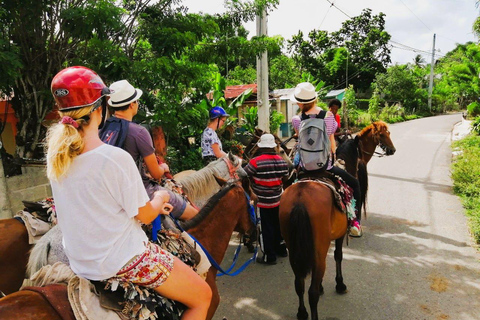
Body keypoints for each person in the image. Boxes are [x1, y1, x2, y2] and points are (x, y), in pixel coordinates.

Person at [47, 66, 211, 319]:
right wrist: (161, 198)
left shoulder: (56, 158)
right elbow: (145, 217)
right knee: (203, 297)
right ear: (100, 108)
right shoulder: (114, 158)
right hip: (120, 260)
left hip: (79, 260)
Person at [106, 80, 198, 221]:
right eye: (136, 101)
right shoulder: (139, 132)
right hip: (141, 192)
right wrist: (163, 167)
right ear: (132, 104)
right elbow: (155, 173)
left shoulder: (104, 128)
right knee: (196, 216)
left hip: (110, 191)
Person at [291, 82, 362, 237]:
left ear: (299, 102)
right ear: (315, 99)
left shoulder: (296, 119)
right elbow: (331, 135)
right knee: (355, 184)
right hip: (325, 167)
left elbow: (299, 138)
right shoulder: (329, 117)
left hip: (304, 167)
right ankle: (355, 222)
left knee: (288, 184)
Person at [244, 134, 289, 265]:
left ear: (260, 146)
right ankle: (282, 250)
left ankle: (269, 256)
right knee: (278, 226)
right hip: (278, 200)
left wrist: (252, 190)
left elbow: (244, 176)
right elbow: (285, 177)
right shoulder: (282, 161)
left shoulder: (255, 162)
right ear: (273, 146)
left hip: (262, 201)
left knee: (265, 228)